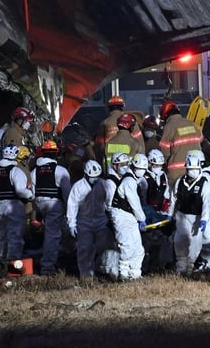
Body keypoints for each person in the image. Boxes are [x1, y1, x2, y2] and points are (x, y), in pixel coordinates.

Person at [66, 160, 118, 282]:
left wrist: (111, 218)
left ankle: (103, 270)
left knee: (105, 247)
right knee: (84, 248)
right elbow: (72, 205)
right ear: (86, 174)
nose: (94, 179)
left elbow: (109, 202)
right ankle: (86, 275)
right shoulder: (78, 186)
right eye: (92, 177)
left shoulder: (104, 184)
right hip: (84, 222)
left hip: (101, 221)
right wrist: (71, 223)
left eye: (96, 176)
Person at [30, 140, 72, 275]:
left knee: (61, 229)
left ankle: (68, 252)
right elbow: (67, 193)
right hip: (55, 205)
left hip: (40, 204)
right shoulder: (61, 170)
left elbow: (32, 193)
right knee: (52, 235)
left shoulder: (35, 171)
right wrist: (70, 211)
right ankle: (47, 266)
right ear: (56, 154)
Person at [0, 144, 34, 261]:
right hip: (14, 205)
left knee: (2, 235)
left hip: (0, 206)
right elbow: (20, 190)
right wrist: (31, 195)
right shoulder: (16, 171)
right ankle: (13, 260)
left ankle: (2, 259)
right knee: (15, 235)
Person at [105, 152, 147, 281]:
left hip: (129, 216)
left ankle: (135, 274)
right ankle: (123, 273)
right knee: (127, 246)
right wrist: (142, 219)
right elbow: (134, 202)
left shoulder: (132, 179)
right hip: (121, 216)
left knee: (138, 248)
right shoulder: (128, 181)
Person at [94, 95, 143, 163]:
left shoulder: (104, 123)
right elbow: (140, 145)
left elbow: (99, 147)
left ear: (109, 108)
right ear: (122, 107)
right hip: (129, 163)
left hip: (111, 163)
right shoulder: (131, 121)